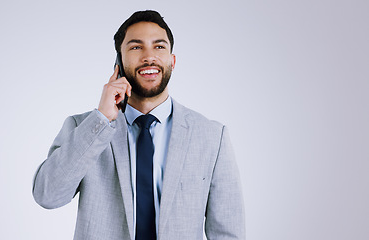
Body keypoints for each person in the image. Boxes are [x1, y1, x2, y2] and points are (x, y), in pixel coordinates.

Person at [33, 10, 245, 240]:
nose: (149, 56)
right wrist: (101, 120)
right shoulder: (84, 127)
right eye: (136, 47)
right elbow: (47, 195)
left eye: (159, 47)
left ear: (172, 61)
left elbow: (227, 232)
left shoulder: (212, 137)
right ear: (119, 63)